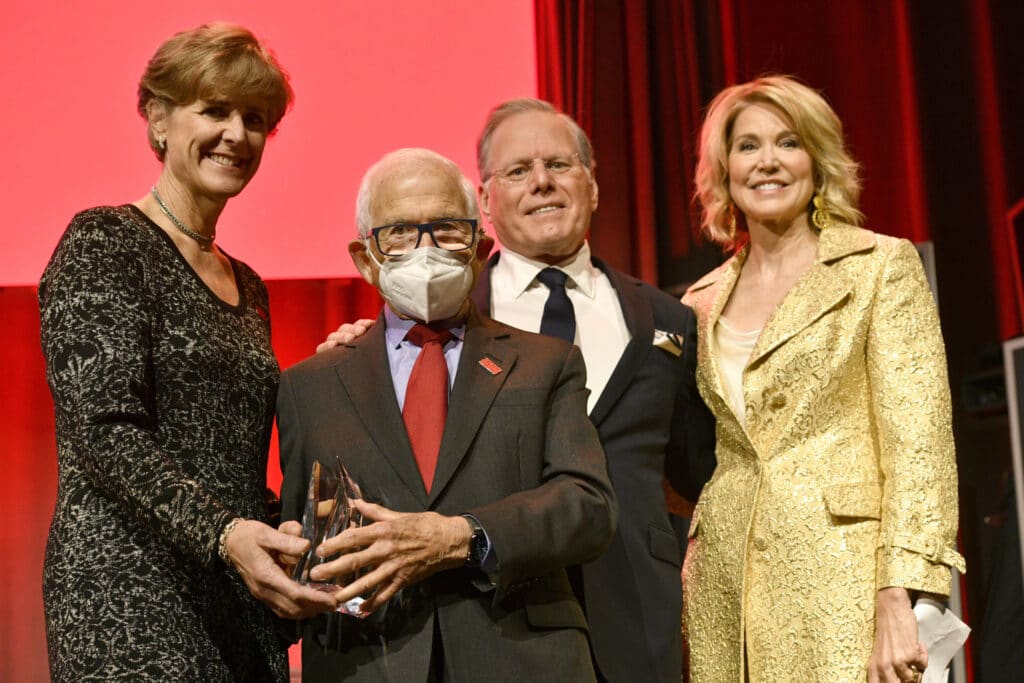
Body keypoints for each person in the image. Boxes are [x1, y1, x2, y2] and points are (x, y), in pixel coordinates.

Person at [319, 99, 716, 683]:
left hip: (632, 611)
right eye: (517, 170)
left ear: (593, 184)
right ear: (484, 201)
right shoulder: (439, 316)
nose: (542, 183)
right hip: (491, 620)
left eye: (559, 164)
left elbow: (698, 469)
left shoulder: (667, 319)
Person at [39, 23, 336, 682]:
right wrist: (228, 534)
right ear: (159, 120)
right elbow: (104, 432)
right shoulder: (104, 242)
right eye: (215, 110)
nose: (237, 133)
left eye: (254, 118)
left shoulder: (249, 284)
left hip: (234, 597)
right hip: (128, 597)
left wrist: (283, 541)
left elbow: (229, 458)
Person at [277, 148, 617, 681]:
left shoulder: (546, 362)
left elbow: (588, 505)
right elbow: (294, 533)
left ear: (480, 248)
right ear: (365, 258)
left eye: (448, 231)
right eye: (400, 234)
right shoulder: (309, 385)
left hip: (521, 658)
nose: (426, 250)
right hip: (368, 660)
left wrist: (463, 536)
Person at [681, 74, 965, 683]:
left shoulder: (878, 265)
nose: (767, 162)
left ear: (817, 159)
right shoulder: (699, 301)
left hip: (846, 580)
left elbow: (920, 445)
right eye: (748, 146)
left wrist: (903, 593)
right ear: (724, 168)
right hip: (725, 589)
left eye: (788, 142)